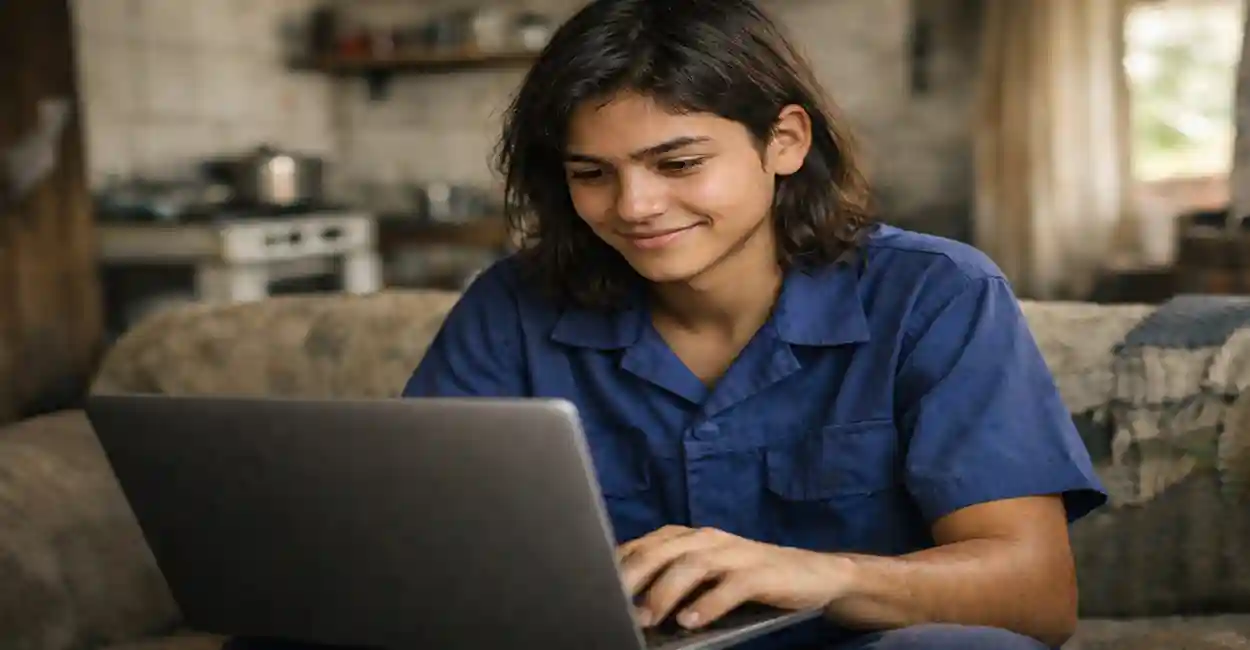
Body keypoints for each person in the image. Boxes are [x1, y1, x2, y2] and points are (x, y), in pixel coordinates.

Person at [227, 1, 1106, 649]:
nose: (635, 208)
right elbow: (411, 541)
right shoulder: (511, 306)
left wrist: (821, 574)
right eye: (592, 174)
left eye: (678, 162)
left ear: (785, 143)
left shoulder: (935, 294)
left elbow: (1036, 594)